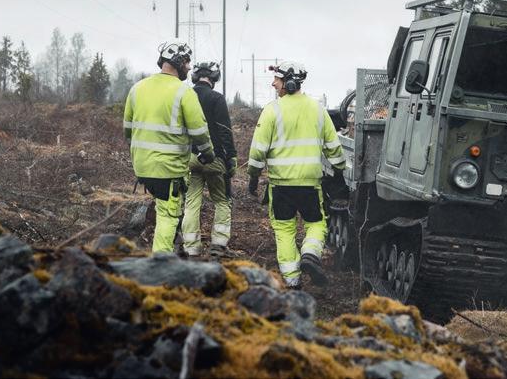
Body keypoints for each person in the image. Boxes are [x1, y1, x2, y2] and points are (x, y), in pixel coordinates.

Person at [247, 61, 346, 288]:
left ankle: (293, 283)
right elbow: (334, 148)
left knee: (284, 231)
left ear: (289, 83)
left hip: (280, 186)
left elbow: (258, 151)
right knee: (316, 224)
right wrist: (340, 169)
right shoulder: (318, 109)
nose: (273, 84)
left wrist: (253, 176)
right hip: (310, 185)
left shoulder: (272, 110)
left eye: (277, 80)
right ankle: (310, 254)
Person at [123, 39, 215, 253]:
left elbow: (128, 130)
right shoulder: (184, 92)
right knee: (168, 216)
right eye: (187, 62)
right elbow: (199, 131)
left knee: (163, 207)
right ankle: (160, 263)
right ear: (178, 61)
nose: (189, 67)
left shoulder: (137, 88)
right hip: (168, 169)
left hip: (143, 167)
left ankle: (172, 252)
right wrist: (208, 152)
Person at [182, 61, 237, 257]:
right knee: (222, 201)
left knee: (191, 202)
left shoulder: (185, 95)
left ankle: (191, 247)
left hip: (190, 158)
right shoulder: (217, 98)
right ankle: (218, 245)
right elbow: (224, 131)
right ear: (214, 78)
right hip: (214, 159)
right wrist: (231, 157)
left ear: (195, 77)